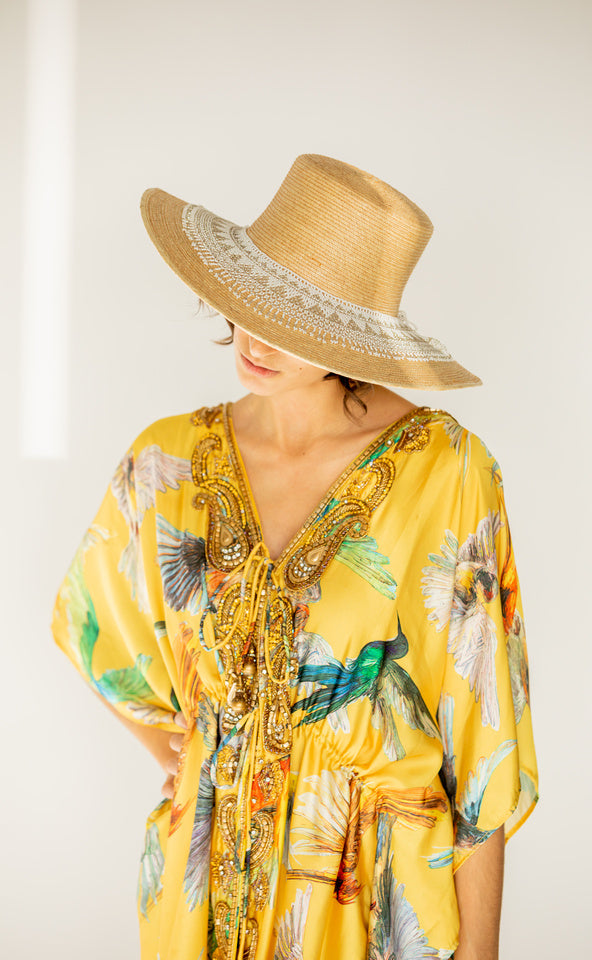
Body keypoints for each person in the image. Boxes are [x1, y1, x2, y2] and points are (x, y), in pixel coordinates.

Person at [51, 154, 538, 960]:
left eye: (296, 321)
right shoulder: (167, 462)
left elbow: (486, 753)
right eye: (253, 301)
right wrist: (185, 747)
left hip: (368, 902)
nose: (255, 336)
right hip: (197, 900)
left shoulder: (446, 472)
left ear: (354, 338)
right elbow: (88, 622)